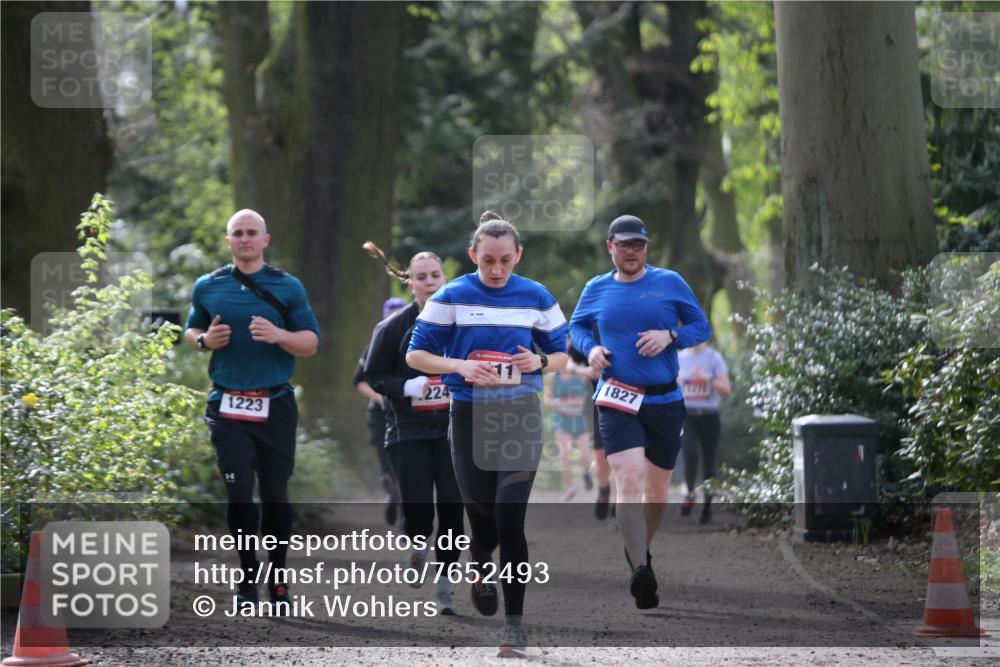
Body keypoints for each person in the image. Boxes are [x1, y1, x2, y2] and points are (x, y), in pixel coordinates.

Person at [406, 211, 569, 658]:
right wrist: (459, 365)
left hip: (520, 415)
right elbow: (416, 355)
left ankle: (514, 627)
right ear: (473, 255)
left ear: (518, 255)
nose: (496, 270)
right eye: (488, 261)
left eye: (505, 261)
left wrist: (537, 363)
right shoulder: (452, 294)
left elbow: (563, 356)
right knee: (482, 523)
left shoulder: (535, 296)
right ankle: (480, 566)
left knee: (511, 518)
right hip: (470, 417)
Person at [569, 214, 710, 610]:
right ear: (610, 246)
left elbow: (702, 327)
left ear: (646, 247)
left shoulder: (669, 282)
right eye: (623, 244)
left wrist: (672, 335)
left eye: (638, 244)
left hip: (664, 400)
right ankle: (640, 570)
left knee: (657, 491)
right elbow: (576, 329)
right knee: (627, 479)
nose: (631, 251)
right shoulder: (596, 288)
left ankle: (639, 551)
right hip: (615, 397)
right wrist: (591, 349)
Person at [185, 209, 320, 607]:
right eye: (237, 233)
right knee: (239, 493)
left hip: (275, 403)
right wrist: (205, 341)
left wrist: (279, 334)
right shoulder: (207, 286)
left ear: (266, 240)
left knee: (275, 495)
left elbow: (311, 344)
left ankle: (278, 580)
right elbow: (191, 331)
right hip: (227, 405)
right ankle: (247, 580)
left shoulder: (288, 286)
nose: (245, 239)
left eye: (252, 233)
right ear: (229, 241)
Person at [361, 241, 465, 616]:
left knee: (453, 509)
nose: (429, 282)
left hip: (454, 430)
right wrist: (406, 387)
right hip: (408, 430)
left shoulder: (463, 322)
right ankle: (418, 544)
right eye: (421, 277)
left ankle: (445, 584)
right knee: (419, 508)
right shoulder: (391, 328)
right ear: (410, 283)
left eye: (435, 275)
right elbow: (372, 375)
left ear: (445, 278)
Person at [353, 297, 407, 526]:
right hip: (380, 416)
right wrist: (381, 398)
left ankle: (406, 510)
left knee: (407, 466)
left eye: (398, 312)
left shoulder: (416, 343)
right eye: (390, 313)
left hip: (407, 414)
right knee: (387, 467)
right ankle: (392, 495)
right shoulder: (374, 344)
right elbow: (359, 381)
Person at [677, 341, 731, 524]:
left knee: (709, 459)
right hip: (687, 416)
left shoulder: (714, 358)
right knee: (689, 453)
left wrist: (706, 378)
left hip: (709, 416)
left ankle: (707, 504)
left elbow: (726, 390)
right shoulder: (679, 358)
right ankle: (689, 492)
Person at [543, 339, 593, 502]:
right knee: (565, 455)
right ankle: (571, 488)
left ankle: (587, 471)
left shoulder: (579, 373)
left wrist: (578, 401)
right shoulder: (553, 376)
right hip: (561, 420)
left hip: (579, 420)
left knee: (585, 457)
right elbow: (547, 398)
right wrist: (555, 402)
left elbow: (586, 395)